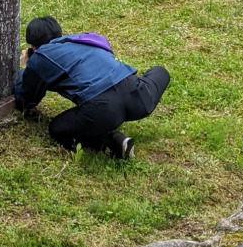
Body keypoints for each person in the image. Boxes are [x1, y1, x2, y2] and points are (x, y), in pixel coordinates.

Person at [13, 16, 170, 158]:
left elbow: (26, 100)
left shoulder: (40, 56)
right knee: (159, 72)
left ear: (33, 45)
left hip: (104, 109)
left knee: (57, 129)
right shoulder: (85, 39)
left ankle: (114, 141)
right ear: (60, 34)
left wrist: (27, 68)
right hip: (138, 94)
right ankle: (121, 142)